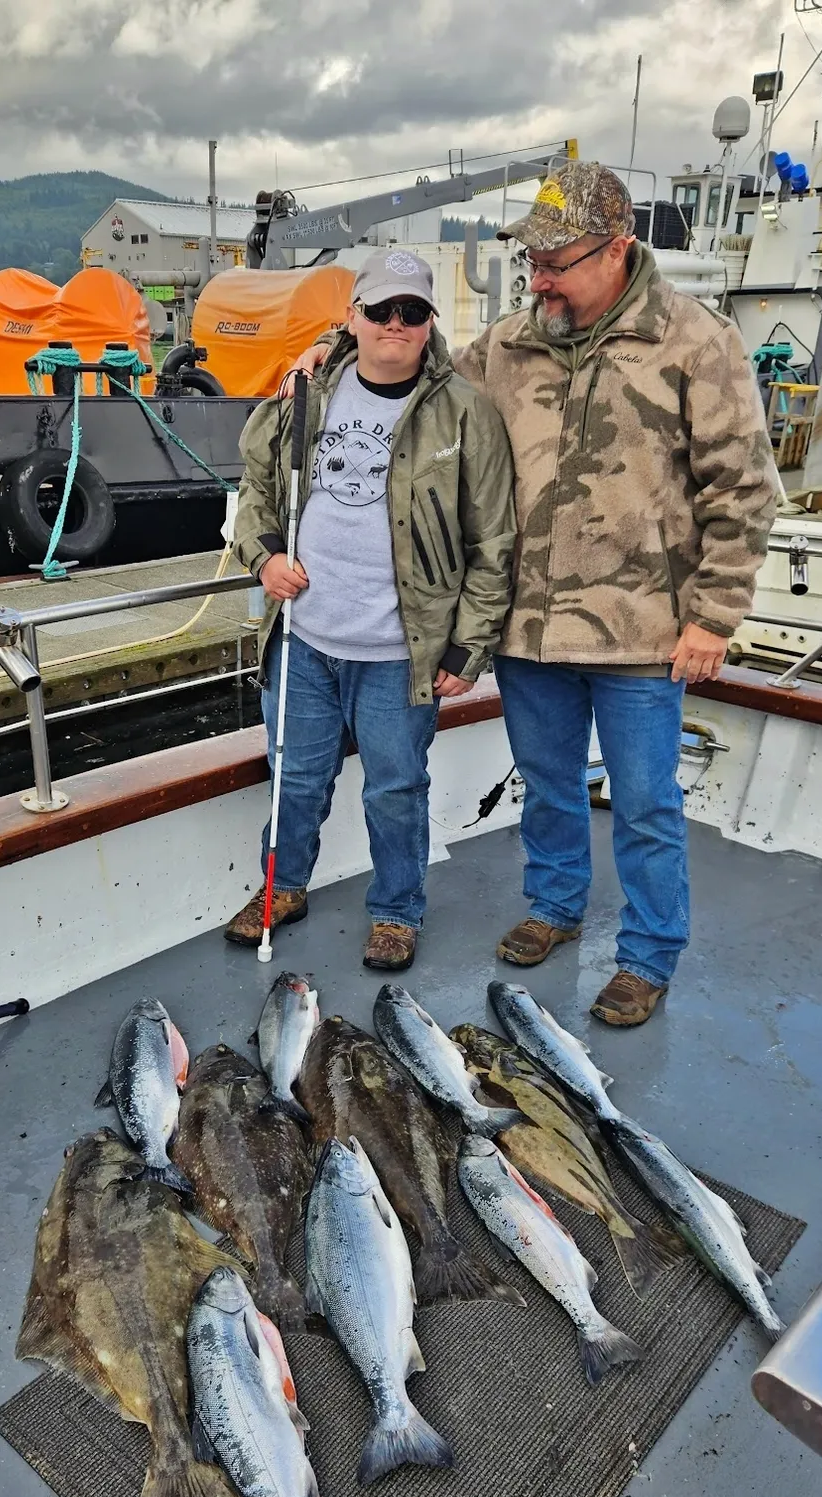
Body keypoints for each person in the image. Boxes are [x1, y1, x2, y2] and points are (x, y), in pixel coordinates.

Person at [292, 161, 778, 1023]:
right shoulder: (509, 345)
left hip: (642, 632)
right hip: (530, 629)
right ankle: (555, 908)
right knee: (548, 785)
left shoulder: (696, 341)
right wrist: (337, 351)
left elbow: (740, 490)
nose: (539, 277)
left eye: (557, 261)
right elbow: (421, 378)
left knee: (645, 806)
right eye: (533, 261)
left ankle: (647, 955)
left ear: (619, 250)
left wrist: (713, 616)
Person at [223, 249, 516, 971]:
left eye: (411, 311)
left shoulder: (466, 414)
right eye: (380, 309)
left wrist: (465, 650)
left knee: (395, 788)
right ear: (352, 318)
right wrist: (263, 557)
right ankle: (282, 885)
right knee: (294, 773)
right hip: (304, 641)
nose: (395, 324)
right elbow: (255, 487)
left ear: (428, 324)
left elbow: (494, 540)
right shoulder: (307, 393)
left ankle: (395, 911)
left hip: (398, 654)